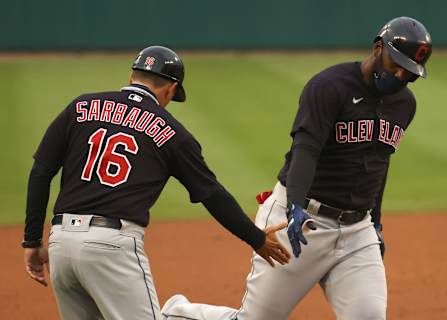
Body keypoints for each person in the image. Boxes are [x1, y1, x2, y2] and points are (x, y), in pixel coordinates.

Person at [160, 16, 432, 320]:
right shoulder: (330, 87)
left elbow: (379, 164)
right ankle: (178, 314)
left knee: (368, 316)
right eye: (395, 64)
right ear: (378, 48)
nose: (399, 75)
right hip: (302, 223)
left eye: (408, 73)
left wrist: (376, 223)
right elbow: (306, 149)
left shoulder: (404, 104)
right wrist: (295, 206)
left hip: (357, 232)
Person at [22, 45, 291, 320]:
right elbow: (211, 193)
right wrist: (256, 238)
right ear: (171, 89)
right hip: (111, 247)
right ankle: (178, 314)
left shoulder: (81, 106)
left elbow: (41, 172)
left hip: (60, 244)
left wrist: (32, 241)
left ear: (131, 76)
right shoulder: (173, 133)